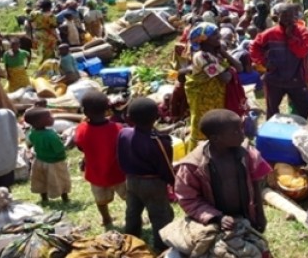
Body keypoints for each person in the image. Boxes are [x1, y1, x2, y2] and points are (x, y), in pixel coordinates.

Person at [175, 109, 271, 233]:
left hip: (246, 215)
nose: (242, 135)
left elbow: (255, 184)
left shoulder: (247, 154)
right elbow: (188, 199)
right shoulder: (193, 166)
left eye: (241, 129)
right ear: (216, 138)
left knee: (253, 247)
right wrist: (216, 217)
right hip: (213, 221)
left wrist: (260, 215)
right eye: (235, 132)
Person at [117, 98, 175, 253]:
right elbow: (166, 166)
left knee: (132, 211)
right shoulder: (159, 142)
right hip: (153, 183)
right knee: (160, 214)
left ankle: (130, 238)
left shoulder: (123, 133)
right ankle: (162, 246)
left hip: (131, 180)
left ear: (129, 117)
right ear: (157, 116)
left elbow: (121, 154)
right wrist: (173, 181)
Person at [185, 22, 243, 149]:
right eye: (214, 34)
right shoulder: (202, 56)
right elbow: (225, 78)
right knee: (203, 126)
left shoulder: (216, 54)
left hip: (216, 96)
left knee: (218, 125)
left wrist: (224, 53)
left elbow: (239, 67)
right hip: (203, 98)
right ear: (204, 39)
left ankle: (219, 148)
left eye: (217, 33)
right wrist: (229, 69)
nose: (219, 36)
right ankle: (197, 154)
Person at [250, 3, 308, 119]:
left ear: (295, 16)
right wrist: (264, 61)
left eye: (290, 15)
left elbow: (302, 52)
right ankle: (272, 134)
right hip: (274, 80)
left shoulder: (303, 32)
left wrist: (290, 37)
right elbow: (254, 47)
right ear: (277, 17)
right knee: (272, 112)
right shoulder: (270, 33)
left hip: (297, 79)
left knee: (307, 110)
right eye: (284, 15)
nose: (287, 19)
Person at [75, 91, 126, 227]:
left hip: (96, 174)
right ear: (108, 110)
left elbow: (80, 147)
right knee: (129, 197)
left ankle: (106, 219)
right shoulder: (118, 128)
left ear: (85, 112)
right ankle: (132, 216)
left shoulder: (81, 129)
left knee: (100, 200)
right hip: (118, 173)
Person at [24, 108, 71, 203]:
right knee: (60, 179)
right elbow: (59, 149)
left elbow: (33, 142)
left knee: (41, 179)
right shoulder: (51, 135)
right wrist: (65, 140)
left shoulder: (32, 132)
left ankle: (44, 198)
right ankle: (65, 198)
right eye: (49, 116)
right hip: (55, 162)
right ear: (39, 122)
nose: (52, 117)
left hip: (39, 160)